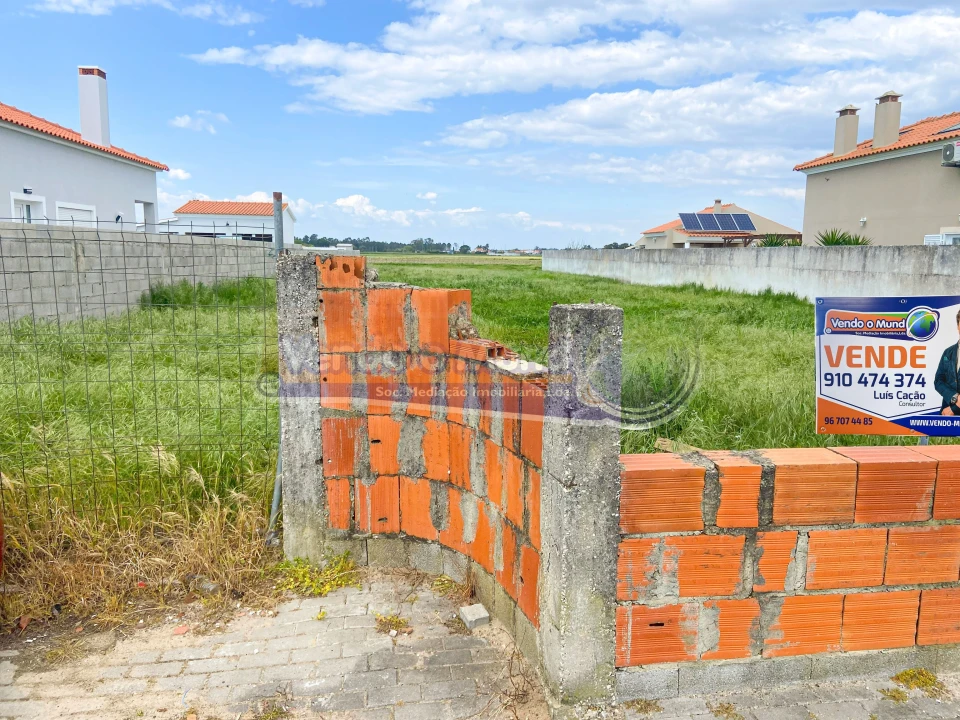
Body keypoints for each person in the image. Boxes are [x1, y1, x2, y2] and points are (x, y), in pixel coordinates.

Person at [935, 309, 960, 416]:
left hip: (951, 411)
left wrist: (955, 408)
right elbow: (938, 381)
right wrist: (954, 397)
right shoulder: (948, 352)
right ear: (958, 326)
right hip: (947, 413)